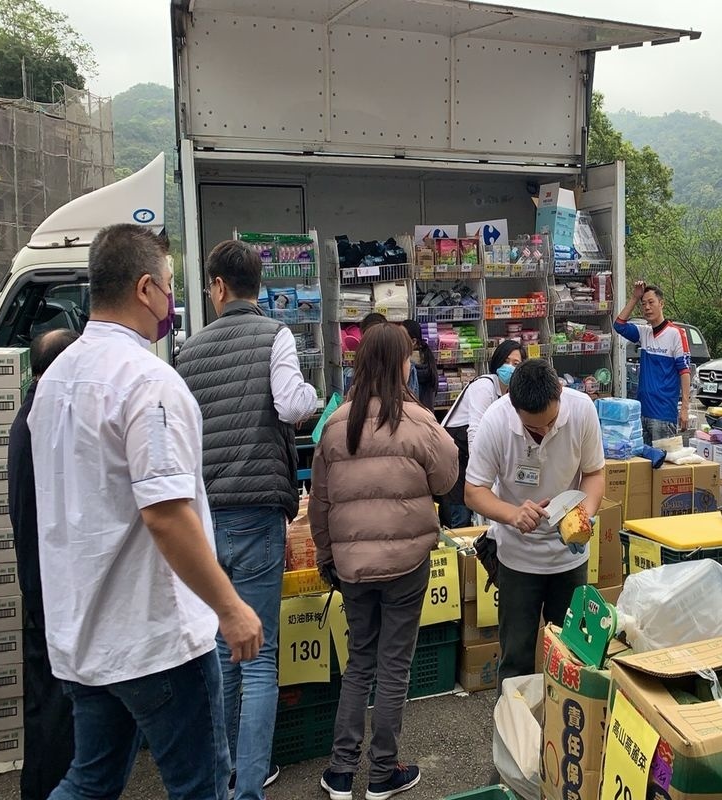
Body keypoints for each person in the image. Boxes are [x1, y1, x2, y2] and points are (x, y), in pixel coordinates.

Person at [29, 223, 263, 800]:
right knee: (201, 785)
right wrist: (230, 609)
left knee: (92, 779)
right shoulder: (147, 380)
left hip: (83, 631)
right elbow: (165, 512)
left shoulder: (56, 379)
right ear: (144, 288)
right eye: (167, 285)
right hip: (154, 635)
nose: (172, 299)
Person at [176, 240, 319, 800]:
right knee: (258, 659)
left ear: (216, 286)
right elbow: (291, 405)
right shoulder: (275, 335)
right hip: (259, 514)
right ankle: (249, 789)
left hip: (205, 520)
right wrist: (309, 392)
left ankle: (226, 772)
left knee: (221, 649)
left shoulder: (187, 352)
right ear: (258, 285)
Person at [310, 324, 458, 800]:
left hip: (352, 566)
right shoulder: (414, 421)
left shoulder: (336, 423)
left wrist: (326, 556)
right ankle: (381, 773)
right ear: (400, 364)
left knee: (359, 664)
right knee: (395, 668)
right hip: (407, 562)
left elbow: (319, 502)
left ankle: (339, 771)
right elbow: (446, 475)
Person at [464, 359, 606, 685]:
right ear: (514, 408)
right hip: (517, 559)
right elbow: (474, 491)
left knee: (570, 655)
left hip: (569, 558)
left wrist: (586, 513)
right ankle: (515, 730)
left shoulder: (582, 410)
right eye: (533, 428)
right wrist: (513, 514)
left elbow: (594, 473)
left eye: (550, 423)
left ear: (559, 393)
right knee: (516, 658)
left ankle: (560, 727)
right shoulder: (496, 421)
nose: (543, 432)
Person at [7, 328, 79, 800]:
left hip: (41, 585)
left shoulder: (31, 414)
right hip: (51, 588)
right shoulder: (45, 420)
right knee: (55, 711)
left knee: (50, 706)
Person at [437, 340, 524, 528]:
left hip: (470, 456)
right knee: (459, 516)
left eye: (516, 364)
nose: (509, 368)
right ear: (497, 362)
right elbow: (475, 432)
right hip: (456, 455)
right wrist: (481, 471)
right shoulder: (484, 386)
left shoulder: (510, 395)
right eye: (506, 361)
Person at [613, 281, 691, 443]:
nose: (647, 307)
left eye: (651, 302)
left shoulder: (676, 333)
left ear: (661, 304)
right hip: (642, 413)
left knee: (663, 465)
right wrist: (635, 298)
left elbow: (684, 371)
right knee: (643, 465)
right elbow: (619, 325)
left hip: (663, 415)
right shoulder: (644, 333)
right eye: (643, 304)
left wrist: (684, 408)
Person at [401, 318, 437, 411]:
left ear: (413, 342)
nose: (398, 340)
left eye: (401, 337)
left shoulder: (408, 365)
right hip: (426, 414)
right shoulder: (428, 359)